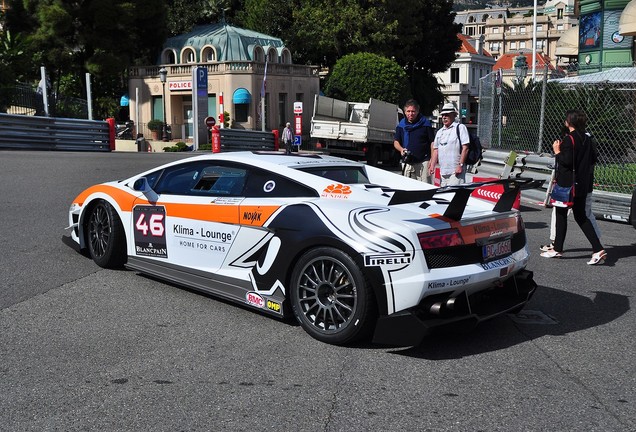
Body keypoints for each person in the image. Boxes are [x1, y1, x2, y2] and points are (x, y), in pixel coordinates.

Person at [540, 109, 606, 265]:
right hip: (582, 184)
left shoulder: (569, 139)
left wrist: (557, 151)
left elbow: (567, 161)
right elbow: (593, 159)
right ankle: (597, 249)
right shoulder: (588, 138)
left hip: (567, 184)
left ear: (569, 122)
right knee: (580, 216)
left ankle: (557, 249)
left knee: (561, 214)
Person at [428, 102, 470, 186]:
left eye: (447, 115)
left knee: (454, 196)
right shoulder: (440, 132)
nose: (444, 117)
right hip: (443, 172)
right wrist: (432, 165)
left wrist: (460, 165)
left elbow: (465, 148)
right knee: (444, 197)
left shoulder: (460, 128)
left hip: (456, 171)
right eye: (443, 115)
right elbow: (435, 149)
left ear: (453, 115)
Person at [393, 99, 435, 183]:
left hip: (423, 162)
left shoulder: (425, 124)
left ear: (417, 111)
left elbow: (432, 143)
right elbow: (396, 142)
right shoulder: (401, 125)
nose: (410, 114)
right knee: (408, 188)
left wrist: (432, 160)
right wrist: (401, 150)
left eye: (413, 111)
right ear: (405, 112)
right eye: (408, 111)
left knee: (424, 188)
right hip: (408, 162)